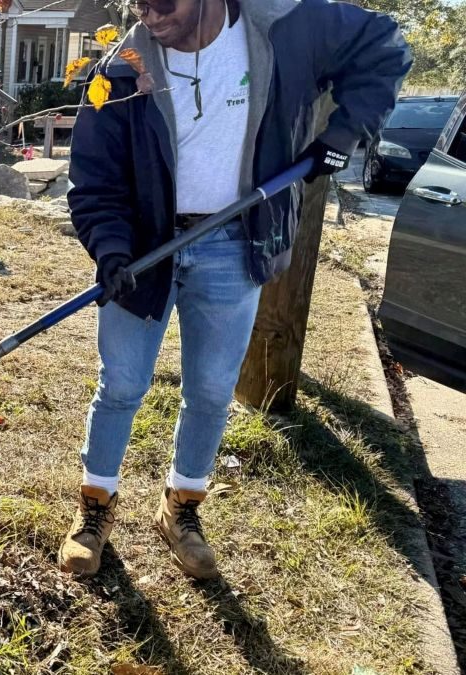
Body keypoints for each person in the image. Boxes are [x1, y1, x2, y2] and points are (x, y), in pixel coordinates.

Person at [61, 0, 410, 578]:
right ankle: (94, 509)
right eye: (135, 2)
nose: (147, 14)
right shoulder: (122, 66)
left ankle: (182, 510)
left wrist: (346, 131)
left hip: (232, 240)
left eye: (159, 1)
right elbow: (95, 177)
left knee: (212, 389)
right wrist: (112, 249)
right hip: (147, 247)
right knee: (121, 382)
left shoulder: (284, 27)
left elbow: (385, 46)